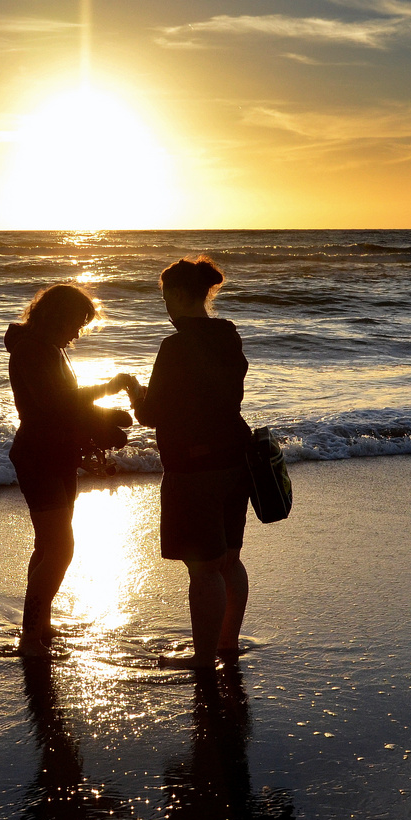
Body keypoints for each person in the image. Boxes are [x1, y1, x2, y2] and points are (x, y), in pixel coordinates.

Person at [129, 256, 254, 671]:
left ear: (181, 294)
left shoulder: (176, 346)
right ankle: (226, 644)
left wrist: (132, 391)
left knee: (203, 571)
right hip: (236, 459)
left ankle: (203, 661)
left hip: (194, 467)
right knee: (229, 559)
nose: (164, 306)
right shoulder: (228, 336)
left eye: (166, 297)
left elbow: (152, 414)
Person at [5, 283, 140, 657]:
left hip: (57, 454)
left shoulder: (50, 349)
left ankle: (40, 625)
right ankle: (30, 639)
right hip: (38, 456)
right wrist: (107, 394)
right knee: (61, 549)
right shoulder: (32, 351)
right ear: (57, 316)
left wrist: (97, 425)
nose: (78, 332)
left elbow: (64, 408)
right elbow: (55, 404)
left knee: (48, 546)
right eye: (76, 322)